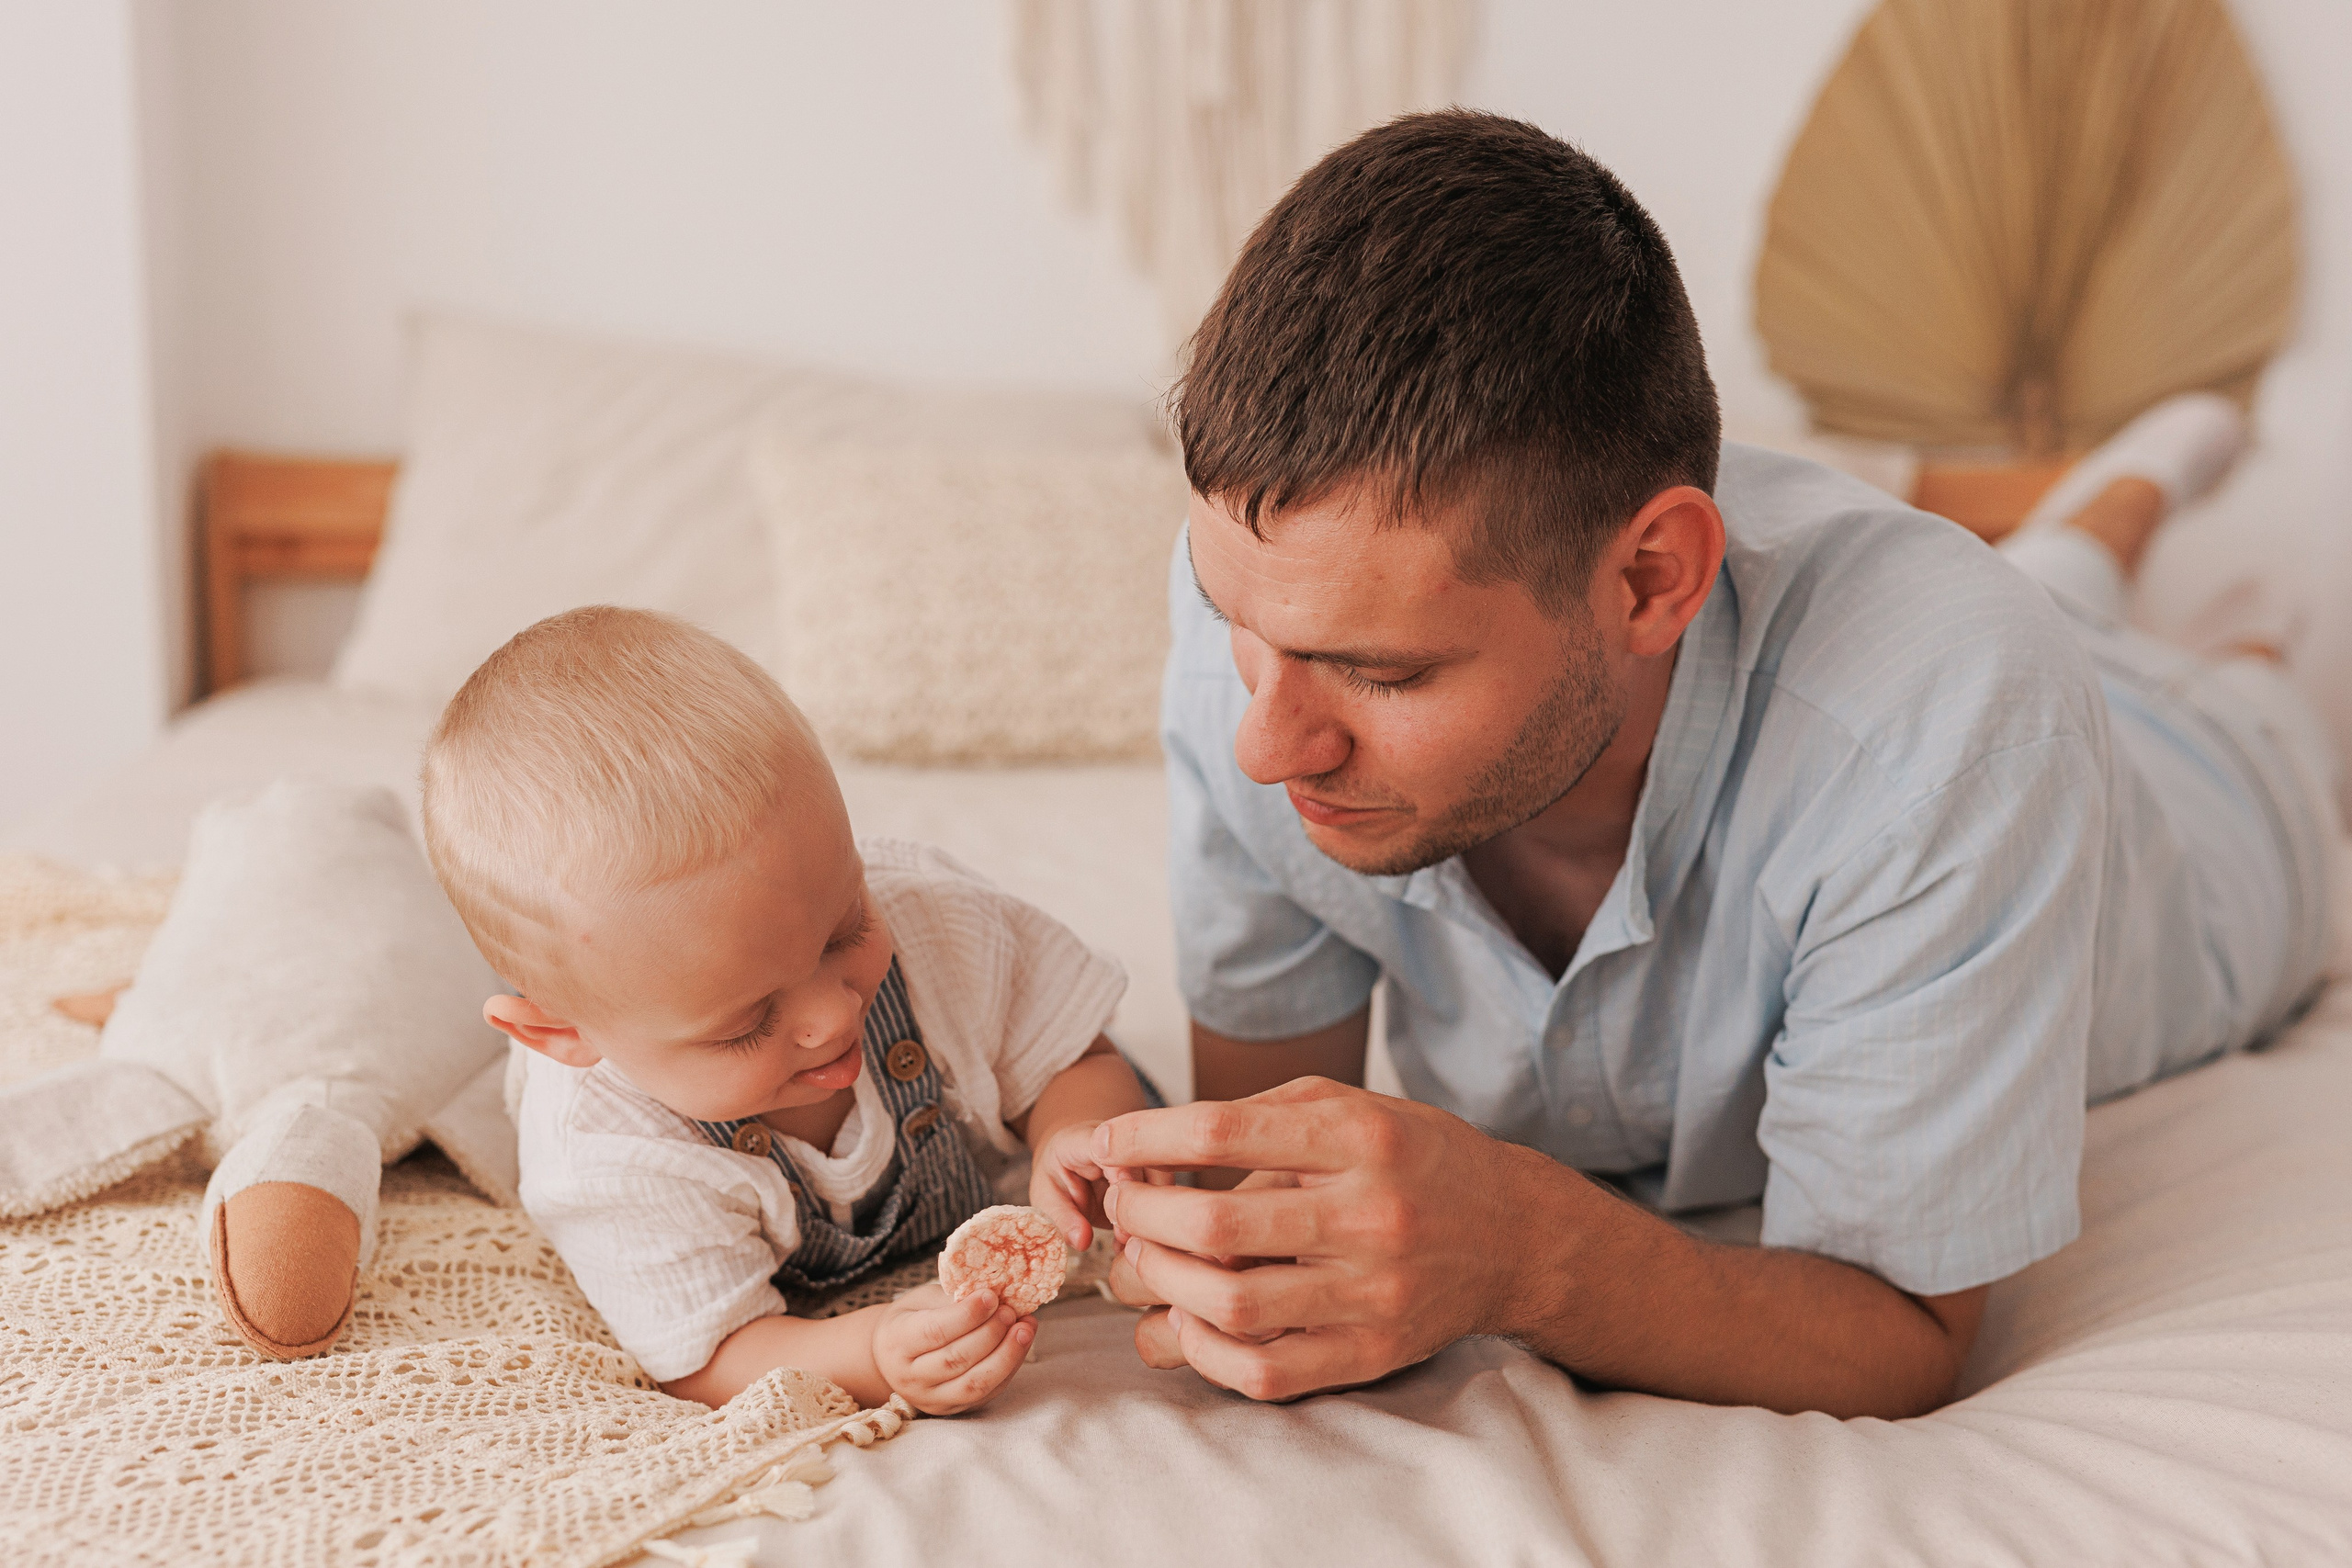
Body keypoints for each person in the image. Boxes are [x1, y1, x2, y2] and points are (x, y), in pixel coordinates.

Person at [1096, 111, 2340, 1418]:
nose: (1264, 740)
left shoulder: (1958, 722)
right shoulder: (1276, 609)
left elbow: (1903, 1329)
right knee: (2049, 586)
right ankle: (2105, 507)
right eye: (1240, 625)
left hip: (2201, 804)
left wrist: (1521, 1242)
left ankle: (2196, 576)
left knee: (2252, 700)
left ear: (1649, 579)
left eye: (1386, 672)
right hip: (1948, 652)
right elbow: (1260, 1174)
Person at [421, 607, 1149, 1412]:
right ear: (562, 1034)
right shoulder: (606, 1150)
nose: (832, 1019)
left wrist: (1079, 1136)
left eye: (846, 928)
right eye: (746, 1023)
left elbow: (1076, 1055)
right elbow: (714, 1354)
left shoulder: (942, 927)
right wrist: (871, 1351)